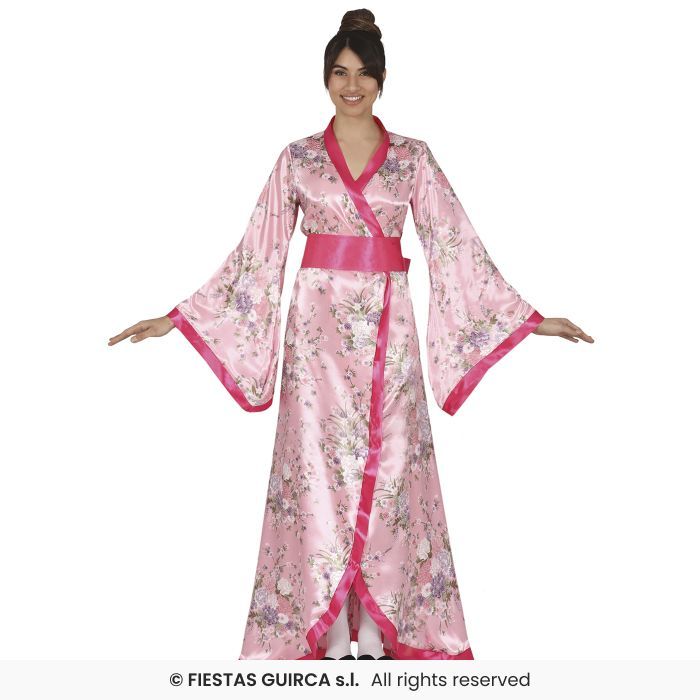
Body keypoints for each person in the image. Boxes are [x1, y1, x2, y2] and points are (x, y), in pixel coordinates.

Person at [108, 8, 594, 661]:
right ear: (325, 78)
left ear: (382, 79)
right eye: (340, 72)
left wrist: (530, 320)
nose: (352, 85)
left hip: (390, 333)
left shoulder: (413, 157)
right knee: (316, 472)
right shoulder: (298, 158)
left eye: (364, 73)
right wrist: (180, 318)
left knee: (392, 471)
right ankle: (330, 629)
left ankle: (385, 627)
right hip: (317, 339)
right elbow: (259, 251)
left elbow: (454, 244)